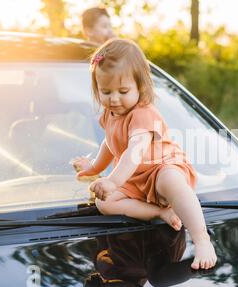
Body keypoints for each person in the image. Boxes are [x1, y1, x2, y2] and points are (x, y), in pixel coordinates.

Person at [71, 38, 217, 270]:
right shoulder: (110, 113)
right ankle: (160, 213)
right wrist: (95, 169)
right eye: (105, 91)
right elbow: (110, 144)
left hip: (161, 167)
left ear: (141, 87)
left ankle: (202, 240)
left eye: (123, 91)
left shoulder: (143, 114)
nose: (114, 98)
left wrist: (112, 180)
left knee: (172, 181)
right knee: (103, 204)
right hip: (136, 178)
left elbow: (135, 151)